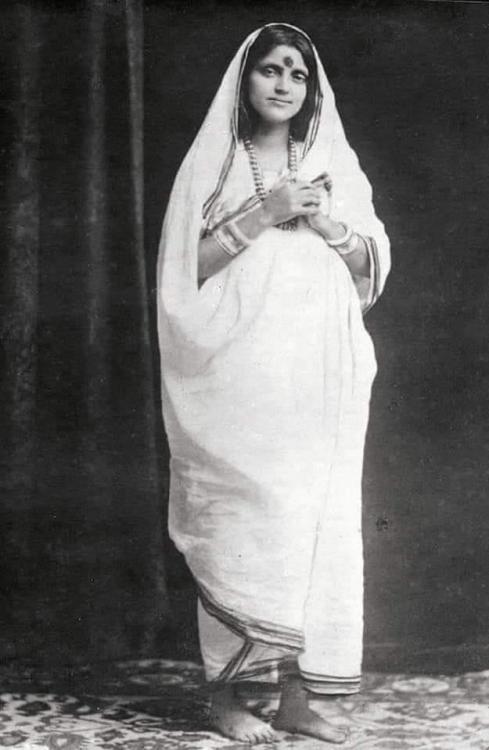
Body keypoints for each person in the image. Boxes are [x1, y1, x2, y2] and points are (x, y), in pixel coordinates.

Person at [157, 23, 390, 745]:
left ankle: (295, 696)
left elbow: (370, 266)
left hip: (317, 371)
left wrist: (327, 224)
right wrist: (265, 213)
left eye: (297, 73)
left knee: (312, 521)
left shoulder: (332, 163)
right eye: (270, 69)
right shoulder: (215, 162)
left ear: (310, 90)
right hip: (238, 368)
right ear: (245, 79)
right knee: (242, 520)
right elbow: (181, 271)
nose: (284, 83)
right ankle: (225, 694)